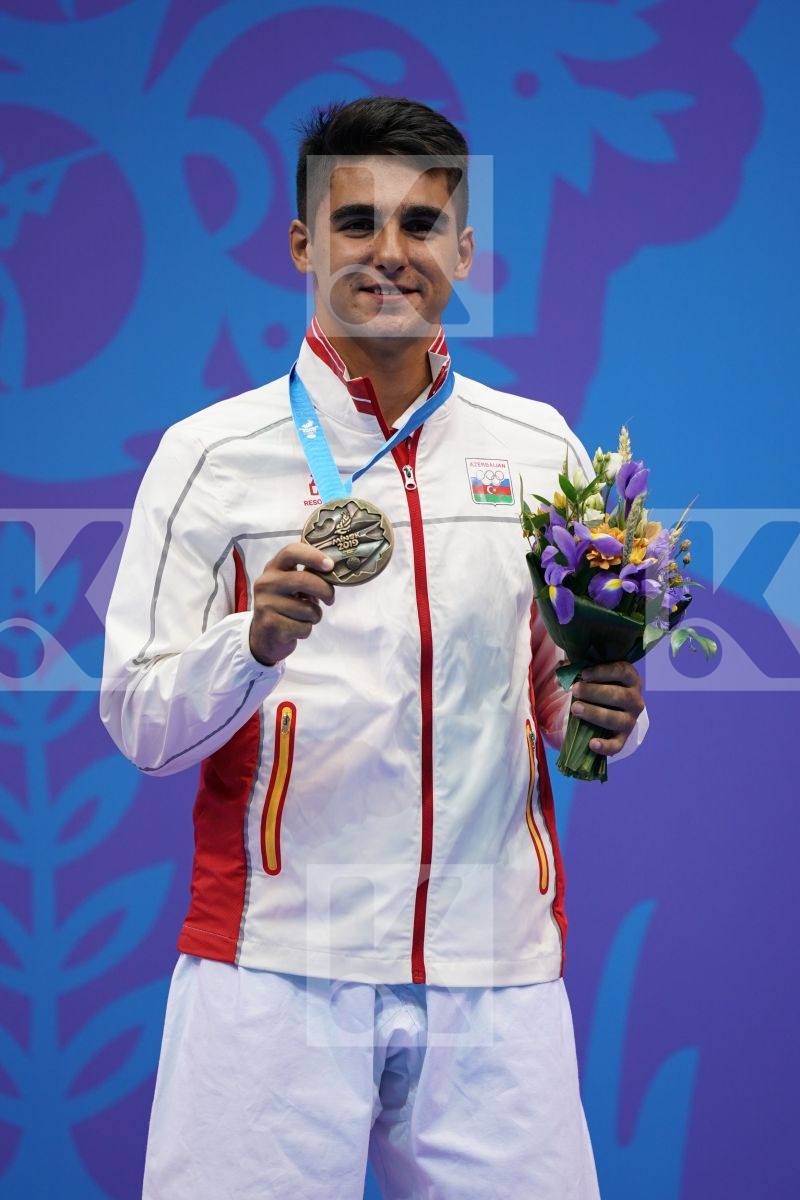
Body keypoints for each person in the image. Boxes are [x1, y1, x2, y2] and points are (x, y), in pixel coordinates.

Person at [101, 96, 646, 1200]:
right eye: (355, 223)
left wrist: (605, 715)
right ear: (303, 243)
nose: (387, 253)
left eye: (418, 224)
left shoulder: (537, 446)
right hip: (274, 969)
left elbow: (556, 693)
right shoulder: (212, 456)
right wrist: (247, 646)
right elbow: (140, 726)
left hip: (493, 972)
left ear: (462, 248)